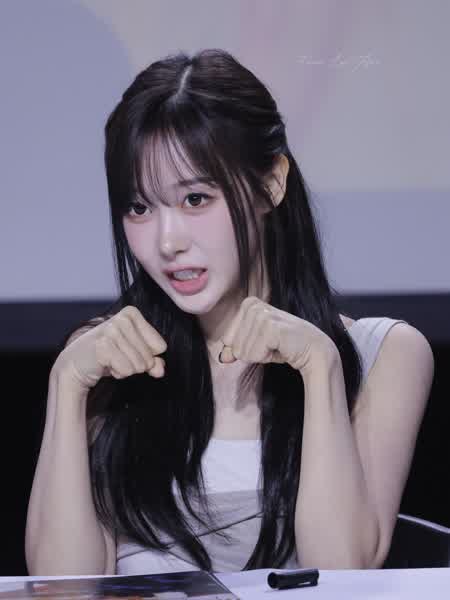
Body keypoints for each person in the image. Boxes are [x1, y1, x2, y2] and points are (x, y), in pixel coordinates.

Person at [25, 48, 434, 576]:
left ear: (271, 184)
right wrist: (66, 386)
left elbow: (341, 572)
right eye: (139, 207)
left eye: (195, 199)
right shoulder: (104, 359)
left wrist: (321, 368)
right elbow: (63, 587)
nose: (167, 242)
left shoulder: (384, 354)